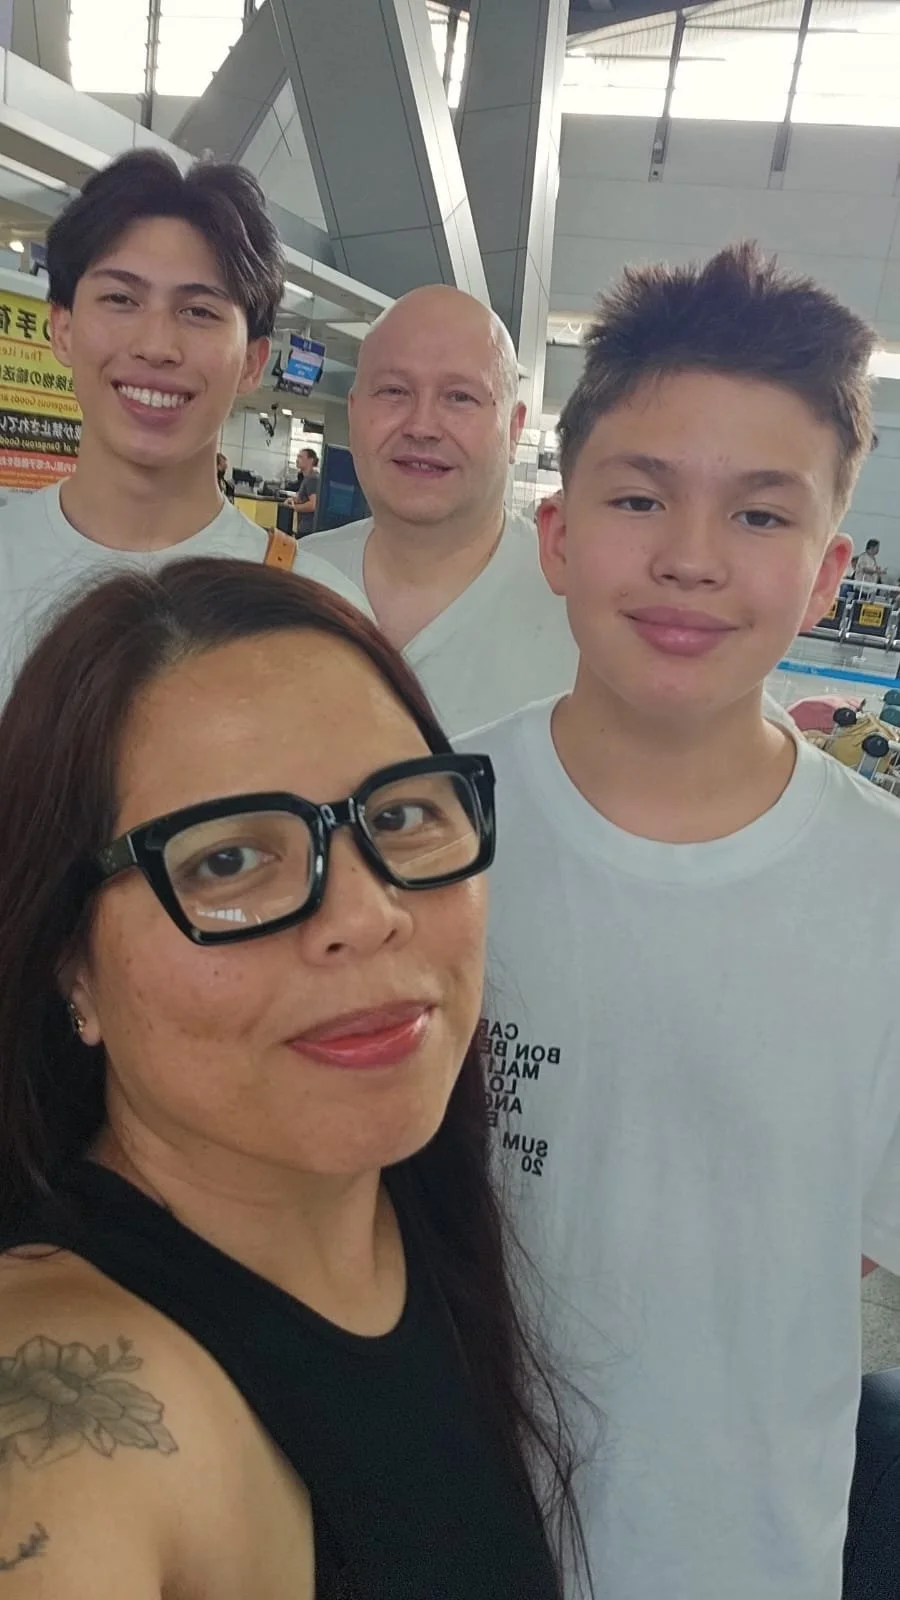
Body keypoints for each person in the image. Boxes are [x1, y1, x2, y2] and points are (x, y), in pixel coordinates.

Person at [0, 558, 583, 1600]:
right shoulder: (74, 1411)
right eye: (226, 861)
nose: (368, 914)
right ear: (69, 961)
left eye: (400, 818)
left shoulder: (410, 1211)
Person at [458, 244, 900, 1600]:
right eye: (642, 496)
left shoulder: (881, 894)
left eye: (761, 517)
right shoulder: (412, 833)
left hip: (741, 1560)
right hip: (424, 1530)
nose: (692, 560)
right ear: (558, 531)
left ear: (827, 575)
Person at [0, 150, 368, 700]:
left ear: (252, 360)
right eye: (120, 299)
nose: (156, 346)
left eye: (199, 311)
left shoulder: (317, 613)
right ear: (64, 329)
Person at [295, 285, 578, 735]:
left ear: (514, 427)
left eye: (460, 397)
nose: (422, 426)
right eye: (393, 391)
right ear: (353, 413)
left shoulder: (583, 615)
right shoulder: (291, 582)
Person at [286, 446, 320, 536]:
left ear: (311, 460)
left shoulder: (312, 479)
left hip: (307, 528)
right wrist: (293, 500)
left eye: (300, 457)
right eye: (297, 457)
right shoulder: (306, 478)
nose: (297, 460)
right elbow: (304, 498)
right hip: (303, 526)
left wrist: (294, 508)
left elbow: (313, 505)